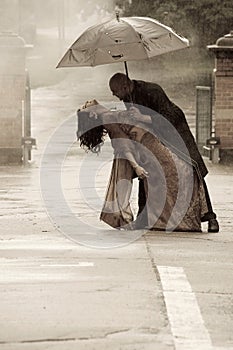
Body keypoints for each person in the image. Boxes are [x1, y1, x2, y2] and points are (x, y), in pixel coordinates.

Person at [109, 72, 219, 233]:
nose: (115, 96)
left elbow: (169, 115)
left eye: (115, 92)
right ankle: (143, 217)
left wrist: (143, 117)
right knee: (146, 170)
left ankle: (211, 217)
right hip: (155, 136)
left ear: (125, 86)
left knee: (192, 168)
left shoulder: (152, 90)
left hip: (175, 130)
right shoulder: (128, 98)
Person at [77, 100, 208, 232]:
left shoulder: (110, 114)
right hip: (149, 149)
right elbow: (123, 145)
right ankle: (171, 221)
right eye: (86, 106)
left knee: (176, 173)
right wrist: (136, 167)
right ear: (93, 114)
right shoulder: (107, 118)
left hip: (154, 143)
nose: (87, 102)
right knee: (172, 174)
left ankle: (173, 220)